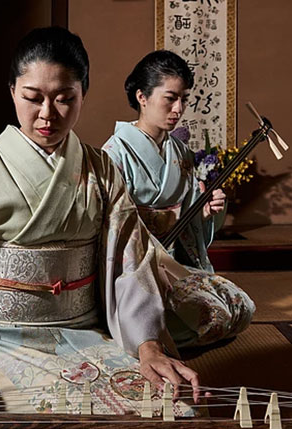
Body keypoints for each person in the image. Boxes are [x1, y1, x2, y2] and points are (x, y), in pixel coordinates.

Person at [0, 30, 220, 416]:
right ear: (13, 91)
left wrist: (148, 346)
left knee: (169, 411)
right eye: (33, 97)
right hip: (4, 341)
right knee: (63, 419)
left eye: (65, 99)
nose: (47, 114)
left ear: (83, 94)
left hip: (87, 330)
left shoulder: (101, 171)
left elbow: (130, 265)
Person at [102, 50, 255, 350]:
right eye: (170, 98)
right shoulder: (114, 154)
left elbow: (189, 223)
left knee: (241, 308)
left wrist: (205, 212)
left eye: (184, 99)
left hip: (174, 262)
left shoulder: (182, 154)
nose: (179, 108)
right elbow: (113, 231)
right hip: (136, 270)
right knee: (213, 317)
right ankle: (141, 326)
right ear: (142, 97)